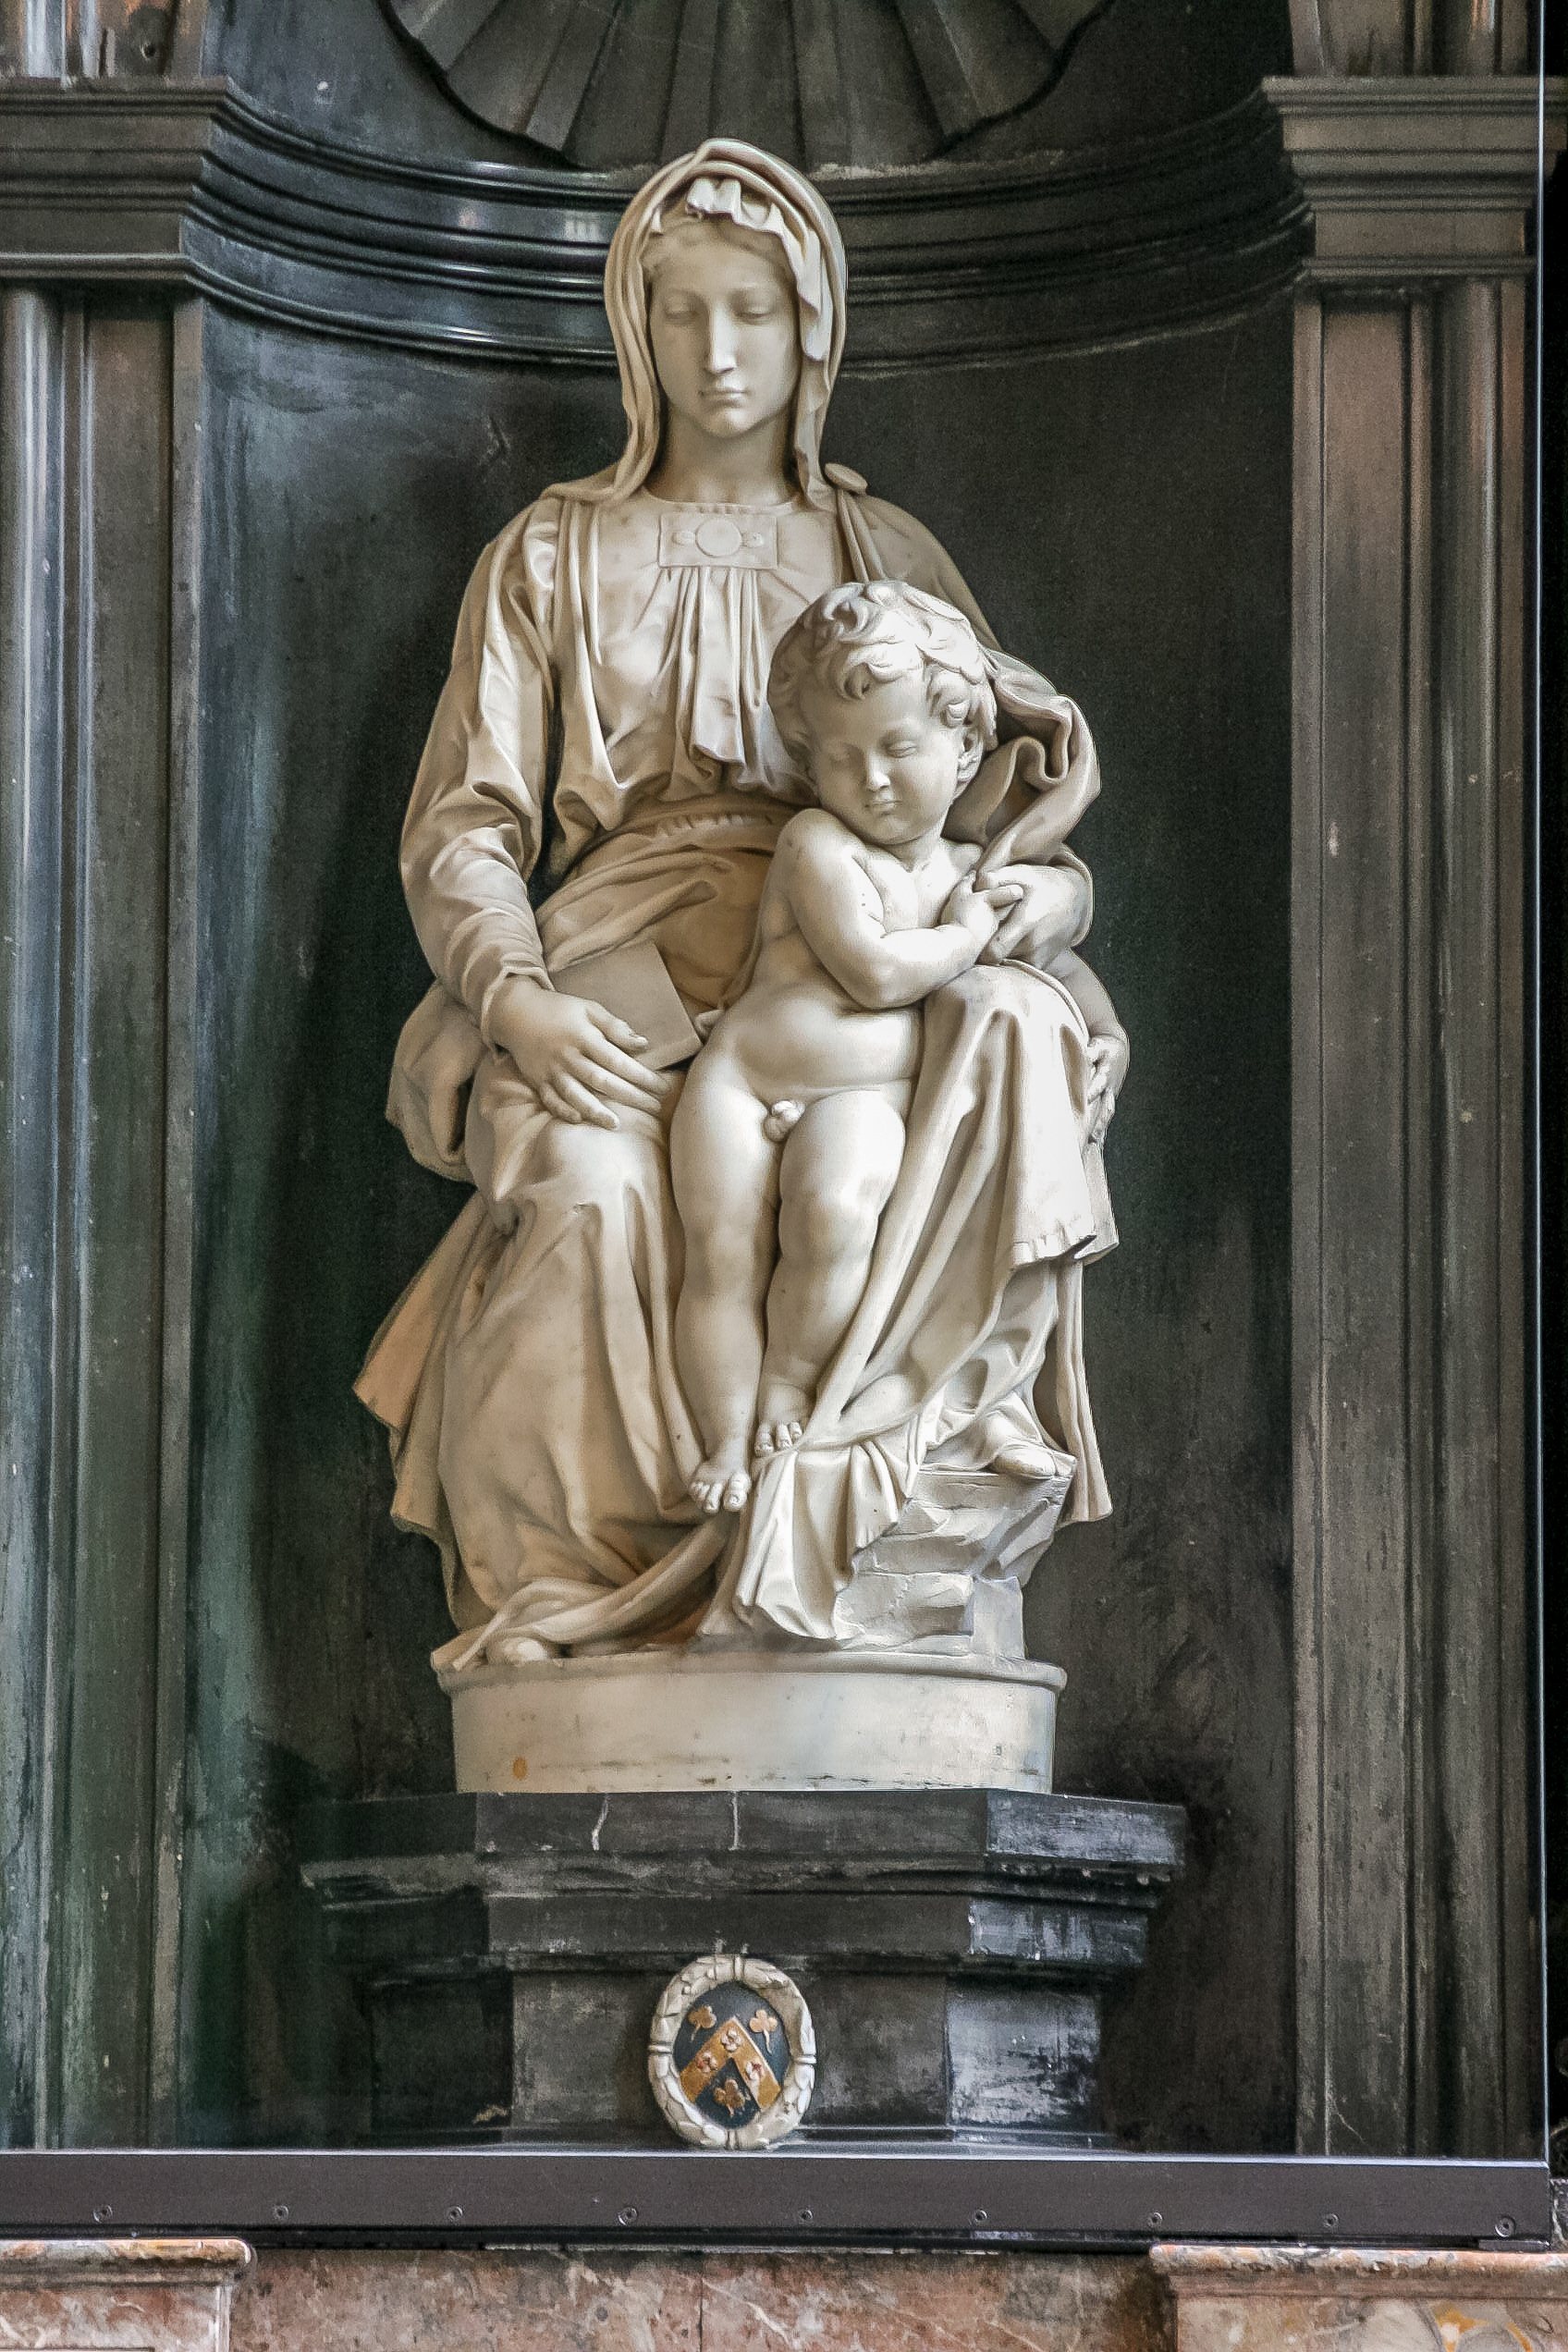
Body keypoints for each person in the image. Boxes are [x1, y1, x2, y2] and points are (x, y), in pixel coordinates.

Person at [355, 139, 1116, 1665]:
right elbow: (468, 828)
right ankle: (579, 1606)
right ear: (638, 333)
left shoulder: (874, 551)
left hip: (841, 982)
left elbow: (997, 775)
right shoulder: (551, 553)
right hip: (612, 972)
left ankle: (835, 1544)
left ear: (813, 326)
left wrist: (1040, 893)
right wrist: (511, 996)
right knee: (586, 1196)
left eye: (756, 310)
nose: (721, 352)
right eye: (686, 312)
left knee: (933, 1122)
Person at [672, 582, 1127, 1519]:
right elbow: (874, 973)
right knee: (717, 1259)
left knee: (836, 1218)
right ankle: (725, 1433)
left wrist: (1108, 1040)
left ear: (965, 750)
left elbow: (1061, 981)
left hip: (863, 1103)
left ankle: (792, 1388)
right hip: (744, 1084)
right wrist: (962, 937)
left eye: (897, 749)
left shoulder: (976, 877)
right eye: (839, 758)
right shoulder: (817, 845)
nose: (870, 778)